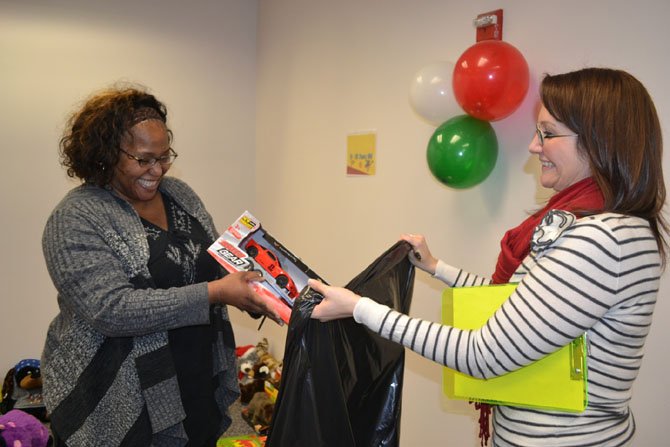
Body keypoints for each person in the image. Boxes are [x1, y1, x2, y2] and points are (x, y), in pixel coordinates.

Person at [308, 67, 667, 446]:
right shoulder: (595, 225)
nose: (533, 146)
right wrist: (436, 267)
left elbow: (484, 354)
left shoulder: (600, 239)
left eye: (548, 133)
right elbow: (519, 303)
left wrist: (361, 309)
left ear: (599, 141)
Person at [41, 85, 281, 447]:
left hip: (194, 376)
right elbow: (112, 310)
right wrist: (216, 293)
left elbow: (214, 261)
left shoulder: (179, 194)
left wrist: (265, 287)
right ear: (105, 155)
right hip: (118, 394)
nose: (157, 169)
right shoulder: (75, 217)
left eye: (164, 156)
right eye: (143, 159)